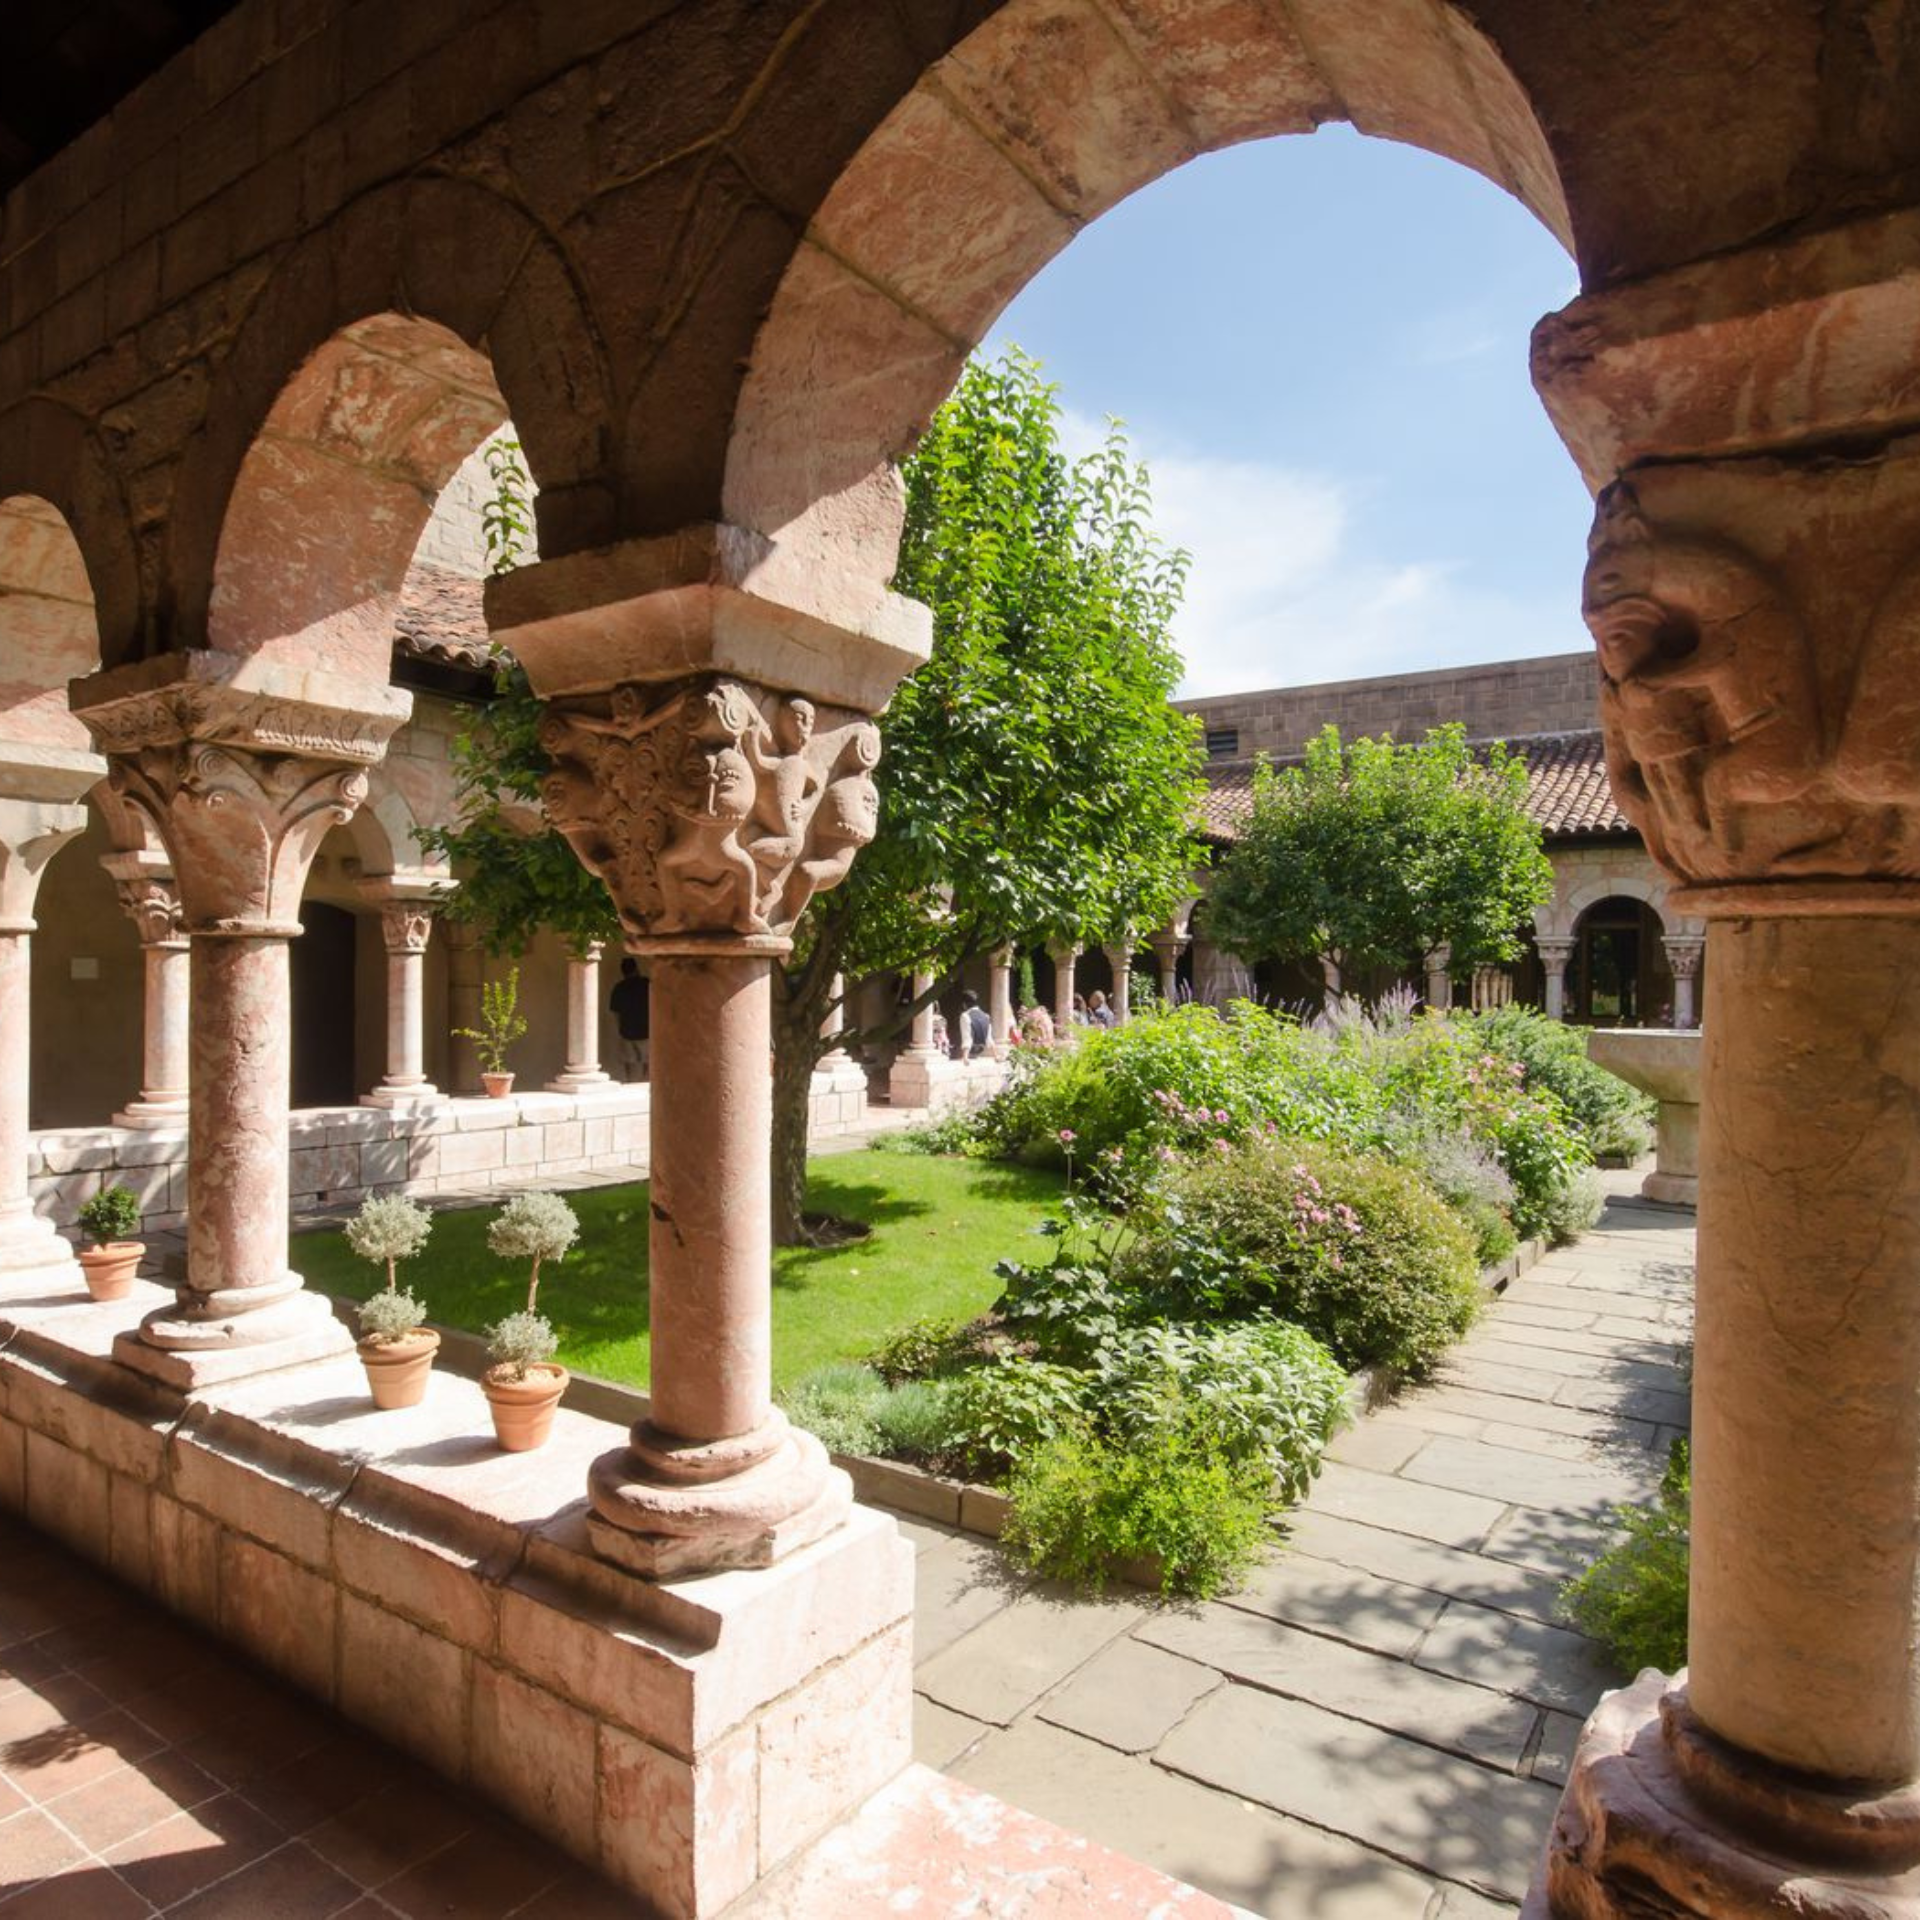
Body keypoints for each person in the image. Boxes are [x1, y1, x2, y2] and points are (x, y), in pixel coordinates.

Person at [609, 956, 650, 1080]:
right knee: (648, 1061)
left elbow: (615, 1012)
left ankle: (630, 1082)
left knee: (629, 1063)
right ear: (636, 968)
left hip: (627, 1031)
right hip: (646, 1030)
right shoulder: (646, 983)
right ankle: (645, 1082)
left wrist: (620, 1028)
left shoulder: (619, 988)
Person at [959, 988, 992, 1058]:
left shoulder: (965, 1016)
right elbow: (989, 1038)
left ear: (964, 1004)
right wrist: (996, 1055)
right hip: (982, 1052)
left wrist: (965, 1057)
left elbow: (967, 1037)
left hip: (971, 1052)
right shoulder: (986, 1016)